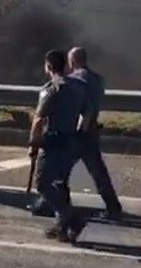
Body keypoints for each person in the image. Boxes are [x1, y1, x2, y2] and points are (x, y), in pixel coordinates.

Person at [28, 49, 89, 243]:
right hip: (72, 141)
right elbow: (87, 115)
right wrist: (79, 135)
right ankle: (63, 227)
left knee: (43, 184)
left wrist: (33, 144)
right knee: (59, 184)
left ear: (49, 67)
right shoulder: (79, 86)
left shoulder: (51, 88)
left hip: (54, 141)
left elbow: (38, 119)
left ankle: (71, 217)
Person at [66, 47, 123, 220]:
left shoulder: (74, 80)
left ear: (73, 60)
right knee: (98, 171)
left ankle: (55, 203)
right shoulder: (98, 79)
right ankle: (113, 207)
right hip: (91, 131)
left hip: (77, 131)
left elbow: (79, 107)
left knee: (59, 169)